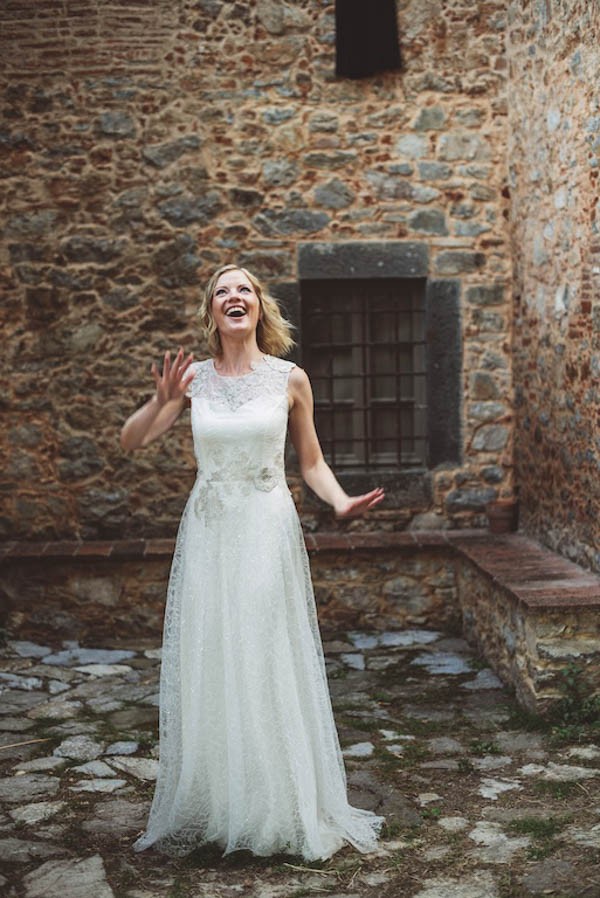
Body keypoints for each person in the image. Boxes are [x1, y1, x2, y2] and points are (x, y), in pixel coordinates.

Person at [121, 264, 385, 861]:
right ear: (211, 312)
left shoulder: (290, 379)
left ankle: (277, 804)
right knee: (216, 653)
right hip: (211, 530)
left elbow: (311, 462)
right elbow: (132, 441)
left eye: (244, 289)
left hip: (267, 527)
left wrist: (341, 501)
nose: (233, 297)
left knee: (261, 649)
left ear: (259, 307)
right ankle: (224, 802)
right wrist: (159, 403)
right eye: (222, 291)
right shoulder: (191, 381)